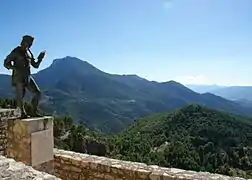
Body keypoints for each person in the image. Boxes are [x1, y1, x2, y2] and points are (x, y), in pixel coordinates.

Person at [3, 35, 46, 118]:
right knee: (20, 96)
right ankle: (22, 113)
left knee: (37, 93)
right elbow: (6, 63)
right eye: (29, 43)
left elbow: (35, 65)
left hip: (27, 76)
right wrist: (15, 68)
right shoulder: (16, 51)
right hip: (19, 77)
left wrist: (40, 59)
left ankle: (33, 111)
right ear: (24, 42)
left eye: (31, 43)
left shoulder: (29, 52)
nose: (30, 45)